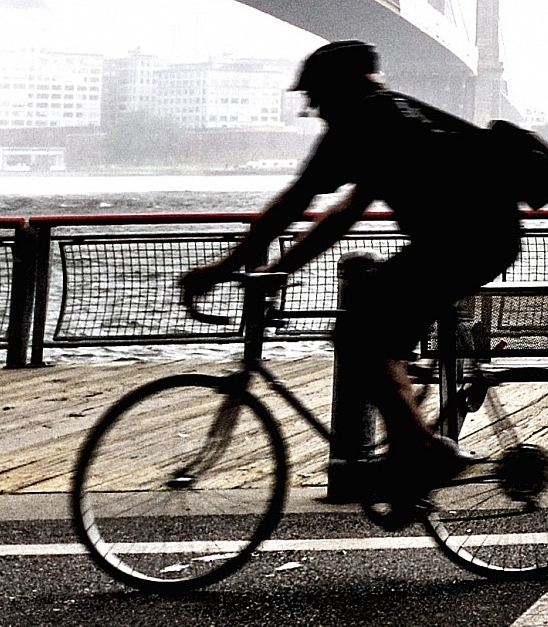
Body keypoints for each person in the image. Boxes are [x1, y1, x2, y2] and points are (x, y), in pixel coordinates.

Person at [180, 40, 520, 518]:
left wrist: (221, 268)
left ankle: (423, 453)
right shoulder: (392, 116)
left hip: (464, 241)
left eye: (315, 96)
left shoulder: (361, 118)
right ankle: (410, 469)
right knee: (375, 330)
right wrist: (277, 269)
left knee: (360, 335)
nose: (314, 109)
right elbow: (344, 213)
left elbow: (294, 202)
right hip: (478, 237)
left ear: (339, 87)